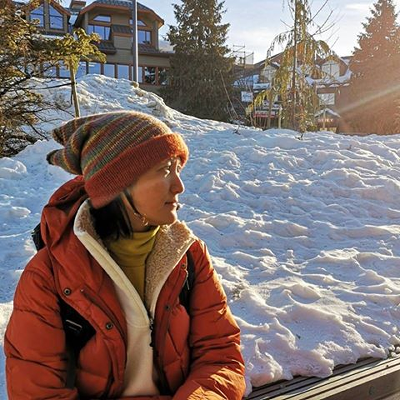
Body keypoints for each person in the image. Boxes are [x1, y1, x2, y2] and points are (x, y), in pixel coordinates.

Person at [4, 111, 246, 399]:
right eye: (164, 170)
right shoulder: (48, 277)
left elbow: (220, 355)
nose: (179, 186)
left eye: (177, 169)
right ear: (118, 185)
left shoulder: (189, 255)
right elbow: (38, 392)